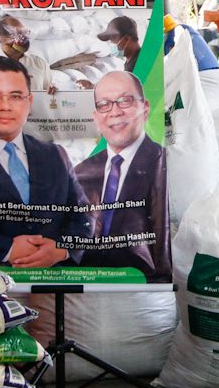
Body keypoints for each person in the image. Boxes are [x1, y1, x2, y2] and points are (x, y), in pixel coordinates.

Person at [0, 56, 92, 268]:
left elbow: (82, 214)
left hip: (54, 282)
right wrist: (7, 249)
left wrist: (62, 248)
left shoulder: (54, 155)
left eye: (15, 96)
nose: (5, 106)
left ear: (29, 102)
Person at [73, 71, 170, 281]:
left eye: (125, 101)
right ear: (95, 117)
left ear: (145, 108)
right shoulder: (82, 172)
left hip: (142, 287)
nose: (114, 112)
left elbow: (164, 247)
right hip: (87, 286)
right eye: (104, 104)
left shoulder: (163, 164)